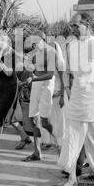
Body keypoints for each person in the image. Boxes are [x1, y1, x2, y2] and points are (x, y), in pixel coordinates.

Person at [55, 13, 94, 186]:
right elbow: (68, 71)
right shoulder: (71, 46)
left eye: (76, 26)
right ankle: (72, 178)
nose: (73, 29)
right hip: (77, 97)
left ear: (86, 25)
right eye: (71, 26)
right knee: (71, 137)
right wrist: (66, 88)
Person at [0, 30, 26, 156]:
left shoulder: (13, 54)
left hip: (10, 88)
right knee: (11, 118)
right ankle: (25, 137)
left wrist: (0, 61)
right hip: (0, 88)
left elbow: (9, 73)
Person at [22, 31, 58, 162]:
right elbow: (33, 70)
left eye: (37, 42)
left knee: (45, 121)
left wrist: (34, 79)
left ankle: (59, 144)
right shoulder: (36, 53)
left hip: (46, 86)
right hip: (36, 85)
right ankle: (37, 152)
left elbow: (50, 74)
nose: (35, 44)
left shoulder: (51, 52)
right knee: (33, 119)